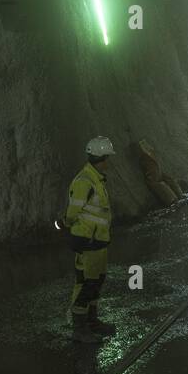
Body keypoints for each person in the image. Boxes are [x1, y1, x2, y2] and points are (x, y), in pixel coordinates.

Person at [64, 136, 117, 343]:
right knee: (87, 284)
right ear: (101, 158)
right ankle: (79, 329)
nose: (109, 162)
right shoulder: (84, 181)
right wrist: (66, 225)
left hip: (98, 241)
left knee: (97, 281)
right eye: (107, 158)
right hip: (87, 241)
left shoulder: (96, 178)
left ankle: (92, 322)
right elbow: (72, 213)